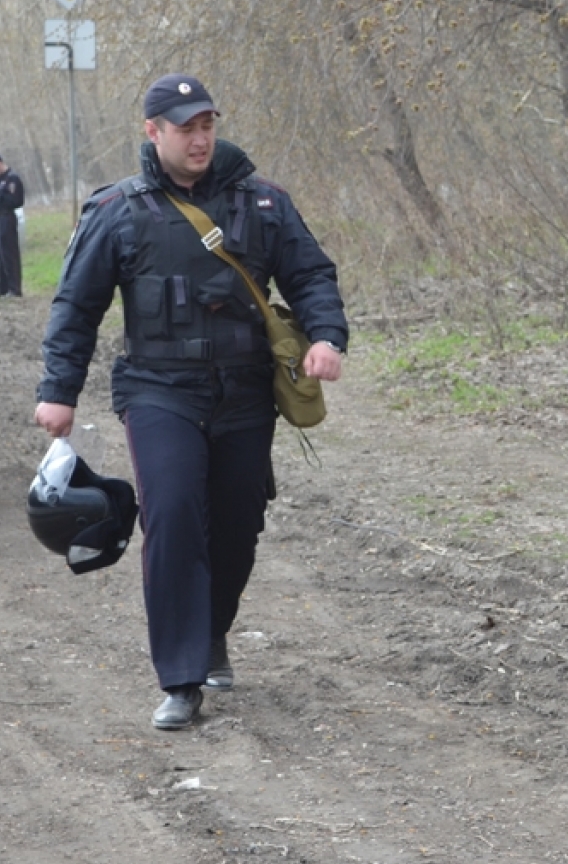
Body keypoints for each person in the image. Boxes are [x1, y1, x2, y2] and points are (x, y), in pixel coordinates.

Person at [34, 74, 349, 730]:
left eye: (207, 123)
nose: (200, 137)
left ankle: (210, 635)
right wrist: (58, 393)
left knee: (237, 526)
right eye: (185, 126)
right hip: (158, 391)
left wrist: (326, 336)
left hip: (243, 391)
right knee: (173, 514)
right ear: (153, 132)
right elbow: (77, 305)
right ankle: (180, 679)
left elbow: (311, 272)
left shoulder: (261, 204)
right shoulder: (117, 211)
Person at [0, 155, 25, 298]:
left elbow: (17, 200)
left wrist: (0, 194)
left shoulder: (12, 178)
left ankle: (14, 287)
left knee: (9, 253)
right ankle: (1, 286)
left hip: (7, 216)